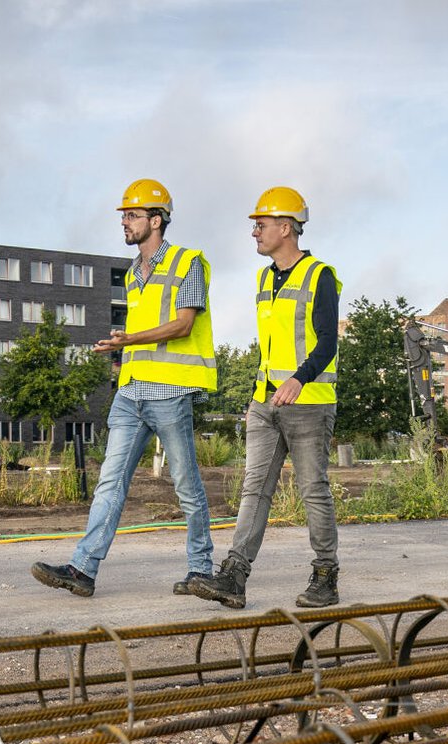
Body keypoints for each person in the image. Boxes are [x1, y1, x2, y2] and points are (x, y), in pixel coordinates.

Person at [31, 178, 216, 597]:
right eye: (124, 216)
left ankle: (202, 569)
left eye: (131, 215)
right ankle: (83, 569)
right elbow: (140, 330)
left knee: (186, 484)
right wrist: (118, 349)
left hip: (170, 391)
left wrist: (128, 339)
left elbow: (184, 323)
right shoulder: (133, 273)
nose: (125, 223)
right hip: (131, 392)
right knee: (109, 483)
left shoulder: (189, 262)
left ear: (156, 220)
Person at [190, 186, 342, 609]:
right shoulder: (263, 278)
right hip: (265, 403)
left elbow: (328, 342)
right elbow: (270, 347)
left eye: (261, 224)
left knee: (313, 489)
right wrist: (259, 394)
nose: (254, 232)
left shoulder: (319, 275)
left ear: (286, 227)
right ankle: (234, 576)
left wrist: (299, 378)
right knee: (254, 489)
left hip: (308, 402)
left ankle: (326, 576)